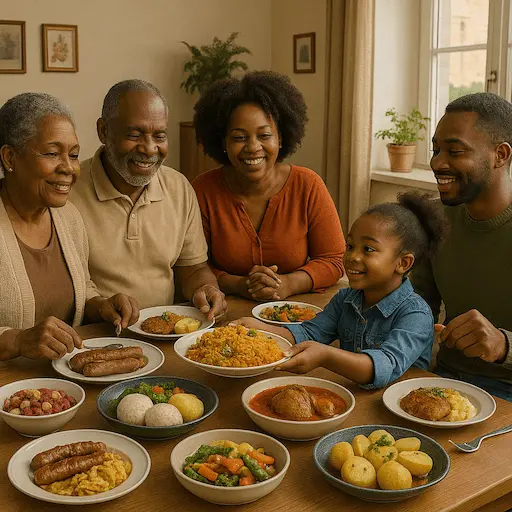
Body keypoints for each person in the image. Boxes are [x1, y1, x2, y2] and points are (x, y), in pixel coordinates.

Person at [233, 191, 447, 388]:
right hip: (352, 395)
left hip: (400, 409)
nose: (352, 257)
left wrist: (327, 356)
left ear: (403, 263)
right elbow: (309, 332)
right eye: (350, 246)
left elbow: (386, 366)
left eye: (368, 249)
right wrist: (260, 328)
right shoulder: (346, 298)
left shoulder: (415, 314)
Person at [69, 79, 227, 320]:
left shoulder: (179, 187)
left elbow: (193, 268)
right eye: (134, 134)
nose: (150, 148)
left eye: (159, 136)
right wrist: (101, 306)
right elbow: (67, 288)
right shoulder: (68, 193)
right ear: (103, 131)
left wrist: (204, 288)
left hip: (166, 330)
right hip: (96, 333)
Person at [0, 93, 139, 361]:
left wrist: (101, 306)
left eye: (74, 155)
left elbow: (82, 290)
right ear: (9, 158)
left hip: (65, 388)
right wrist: (17, 340)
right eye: (52, 153)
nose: (69, 168)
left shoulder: (69, 218)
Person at [192, 71, 345, 301]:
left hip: (295, 313)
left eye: (264, 135)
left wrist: (288, 283)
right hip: (224, 314)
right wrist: (240, 285)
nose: (253, 147)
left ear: (280, 138)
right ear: (222, 142)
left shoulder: (307, 185)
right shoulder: (203, 190)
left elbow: (334, 259)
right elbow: (193, 267)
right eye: (239, 137)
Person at [411, 92, 512, 401]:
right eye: (436, 149)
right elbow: (420, 306)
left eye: (455, 151)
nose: (437, 162)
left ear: (501, 155)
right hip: (443, 380)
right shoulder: (434, 218)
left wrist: (503, 346)